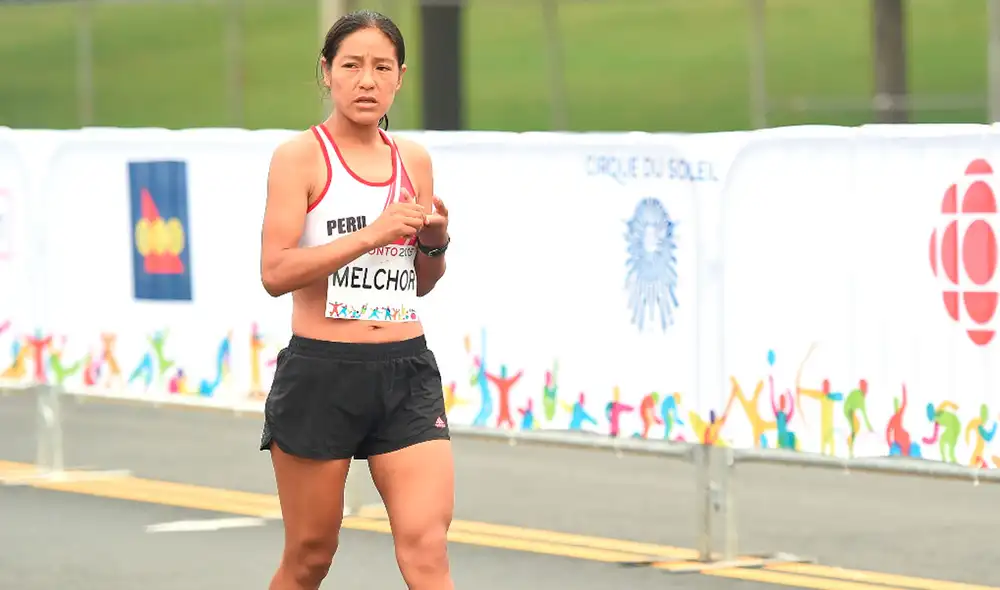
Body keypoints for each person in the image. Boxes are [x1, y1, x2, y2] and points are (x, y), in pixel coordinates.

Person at [258, 9, 454, 590]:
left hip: (406, 371)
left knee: (426, 547)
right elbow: (275, 271)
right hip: (323, 372)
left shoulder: (412, 161)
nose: (366, 80)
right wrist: (370, 233)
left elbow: (418, 282)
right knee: (311, 556)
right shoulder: (299, 158)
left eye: (381, 67)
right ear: (326, 73)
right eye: (351, 66)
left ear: (400, 78)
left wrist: (436, 244)